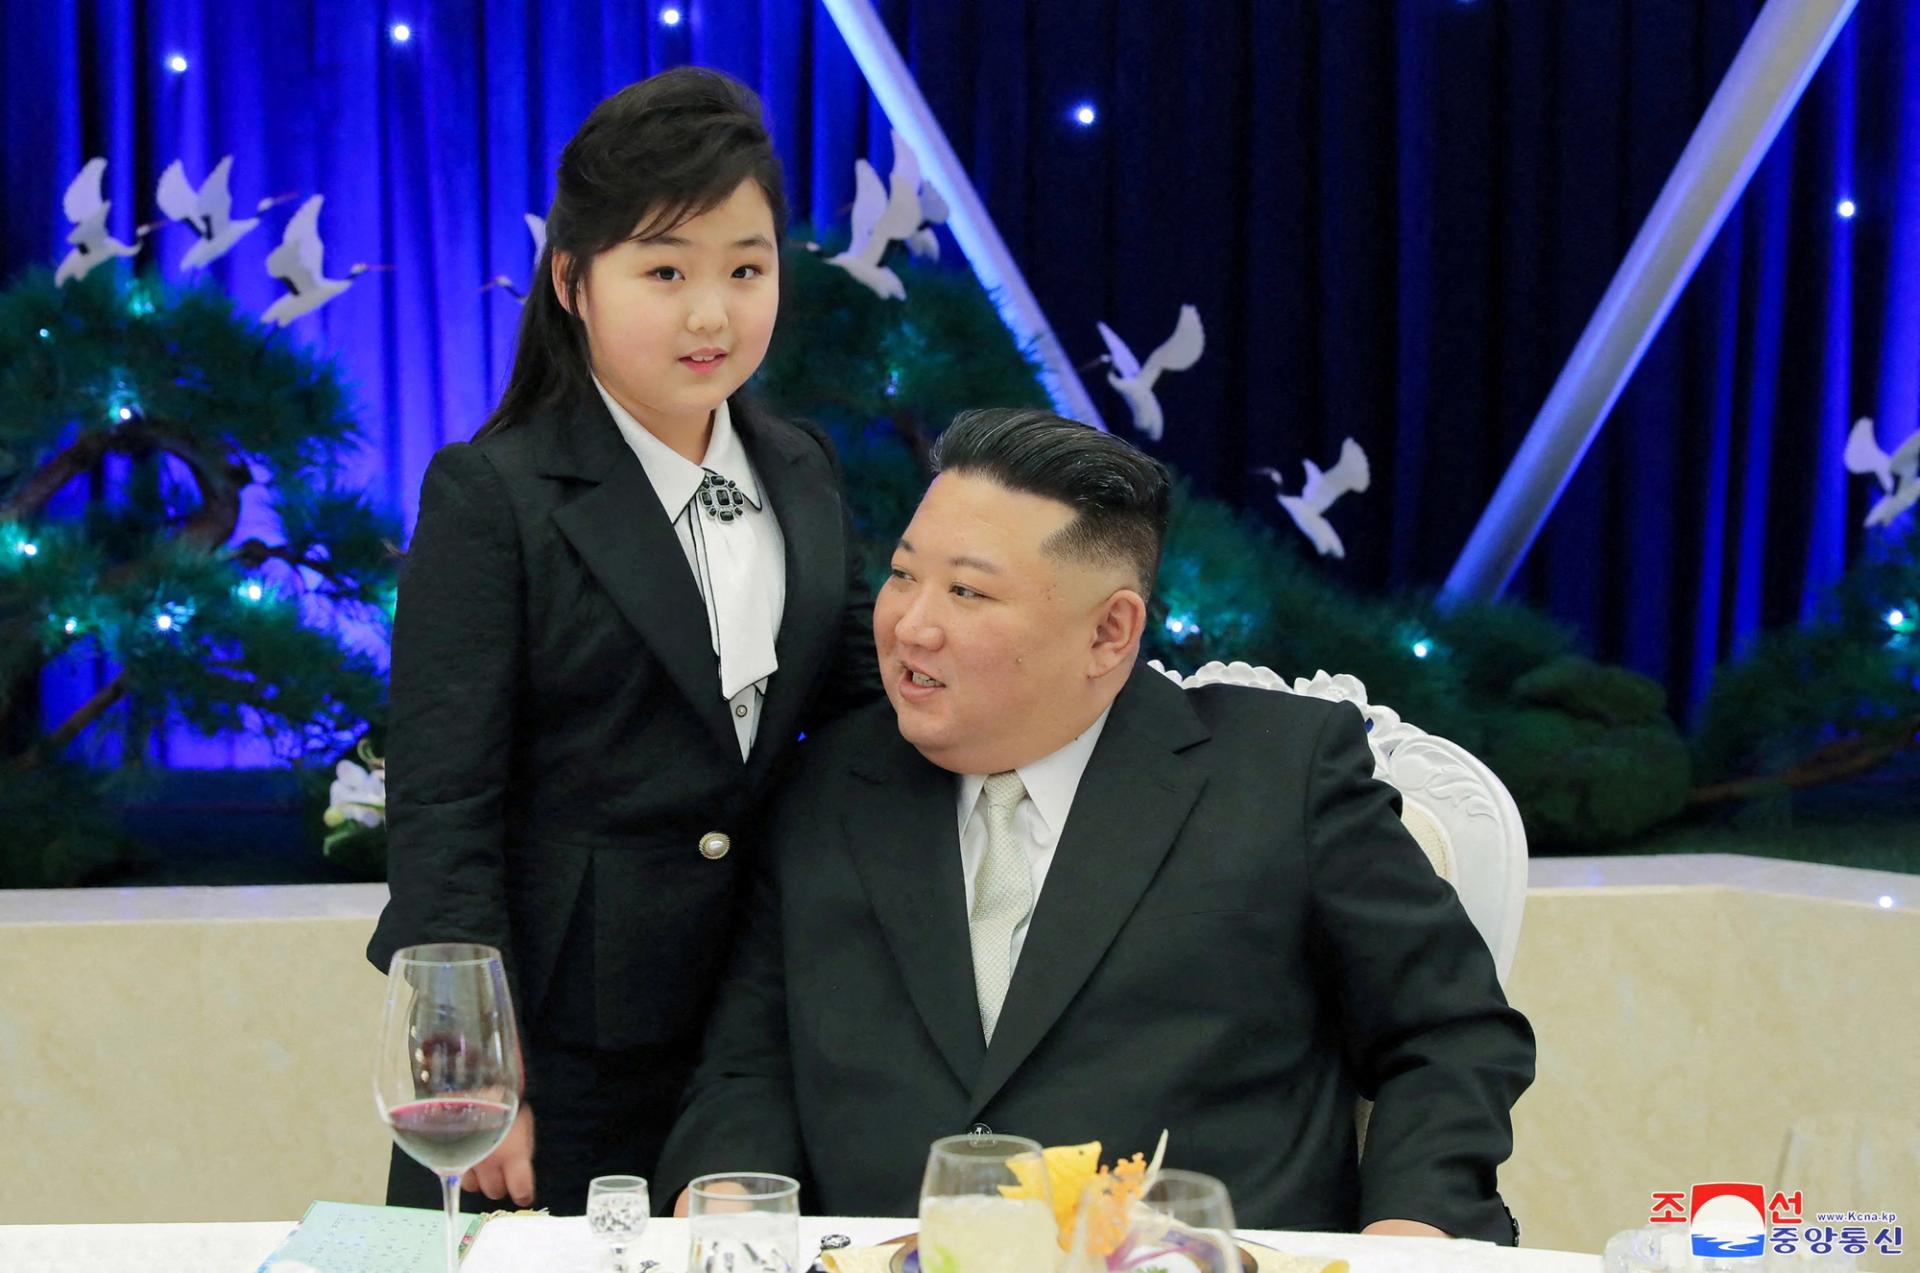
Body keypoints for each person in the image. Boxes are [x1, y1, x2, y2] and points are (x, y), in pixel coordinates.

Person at [654, 407, 1534, 1242]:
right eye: (902, 573)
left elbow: (1448, 1032)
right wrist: (729, 1198)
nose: (910, 624)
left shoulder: (1280, 775)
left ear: (1111, 632)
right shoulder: (830, 782)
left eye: (967, 590)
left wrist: (1411, 1232)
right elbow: (751, 1060)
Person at [366, 67, 879, 1216]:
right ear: (572, 282)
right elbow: (443, 805)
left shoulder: (801, 467)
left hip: (755, 1038)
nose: (714, 313)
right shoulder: (491, 493)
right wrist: (476, 1078)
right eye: (665, 270)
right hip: (554, 1052)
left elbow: (855, 728)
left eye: (746, 269)